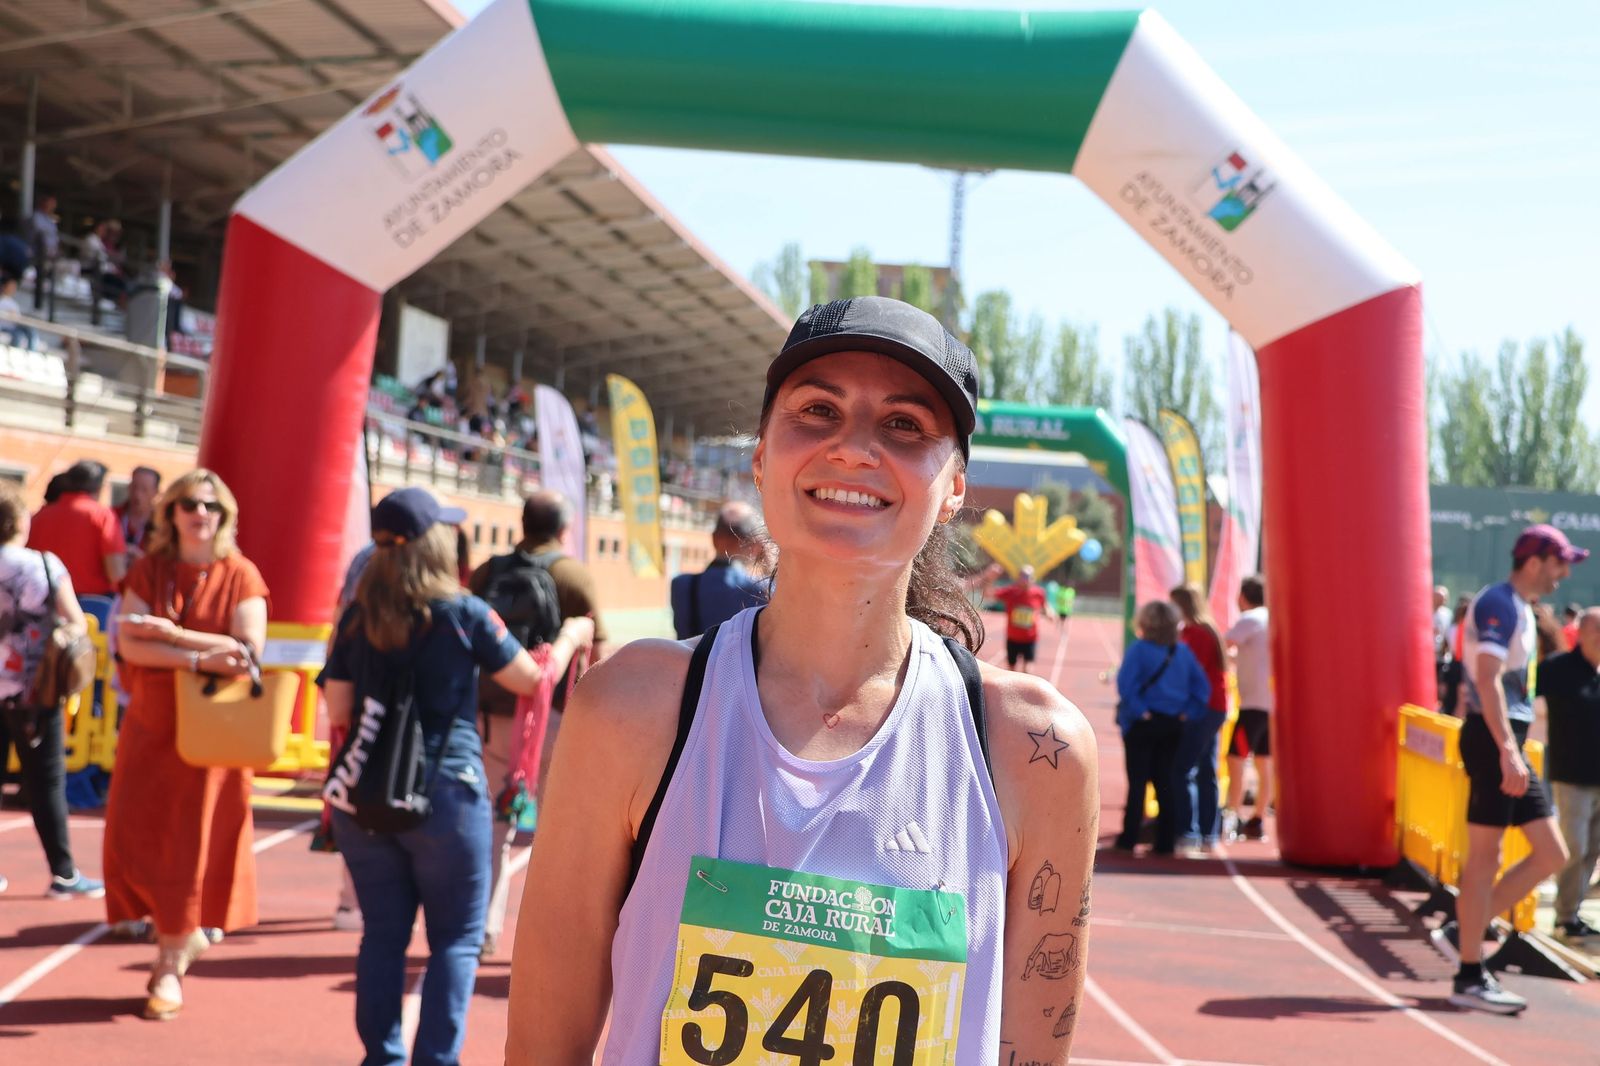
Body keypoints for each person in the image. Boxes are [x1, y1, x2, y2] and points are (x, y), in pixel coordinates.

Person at [507, 296, 1099, 1061]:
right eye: (818, 410)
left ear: (954, 487)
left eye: (905, 424)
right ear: (760, 458)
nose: (853, 448)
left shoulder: (1035, 750)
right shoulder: (631, 708)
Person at [320, 487, 591, 1066]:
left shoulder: (355, 617)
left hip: (365, 799)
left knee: (382, 936)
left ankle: (383, 1057)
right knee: (456, 942)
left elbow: (339, 709)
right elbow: (528, 681)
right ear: (436, 543)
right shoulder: (463, 613)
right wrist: (570, 637)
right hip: (447, 790)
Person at [103, 469, 268, 1020]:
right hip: (152, 729)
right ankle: (176, 939)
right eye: (191, 504)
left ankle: (170, 961)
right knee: (135, 837)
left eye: (213, 506)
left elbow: (247, 651)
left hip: (212, 739)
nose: (202, 513)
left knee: (194, 845)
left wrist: (171, 636)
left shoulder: (241, 574)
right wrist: (198, 656)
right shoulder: (150, 568)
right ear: (170, 512)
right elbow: (129, 642)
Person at [1432, 524, 1583, 1014]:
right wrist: (1507, 750)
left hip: (1505, 738)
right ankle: (1470, 974)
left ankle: (1464, 932)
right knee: (1485, 858)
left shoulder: (1519, 606)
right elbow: (1487, 680)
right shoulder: (1499, 602)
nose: (1565, 574)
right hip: (1493, 737)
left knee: (1551, 852)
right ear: (1536, 561)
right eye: (1561, 563)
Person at [0, 481, 103, 899]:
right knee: (46, 781)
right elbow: (74, 620)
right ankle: (63, 873)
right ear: (21, 521)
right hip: (33, 692)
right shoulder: (44, 565)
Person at [1115, 600, 1211, 856]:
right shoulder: (1182, 652)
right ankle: (1165, 842)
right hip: (1171, 725)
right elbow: (1203, 689)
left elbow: (1125, 685)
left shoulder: (1139, 650)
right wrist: (1186, 713)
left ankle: (1128, 839)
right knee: (1164, 783)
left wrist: (1140, 711)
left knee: (1137, 783)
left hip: (1143, 724)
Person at [1539, 606, 1600, 946]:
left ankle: (1571, 913)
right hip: (1571, 774)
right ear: (1587, 633)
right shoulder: (1558, 669)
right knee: (1573, 845)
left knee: (1592, 848)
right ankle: (1565, 914)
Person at [1171, 583, 1228, 855]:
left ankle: (1188, 832)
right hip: (1215, 706)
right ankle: (1209, 833)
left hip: (1202, 708)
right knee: (1207, 769)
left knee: (1182, 769)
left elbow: (1190, 674)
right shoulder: (1207, 630)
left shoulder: (1194, 634)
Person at [27, 460, 128, 599]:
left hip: (40, 599)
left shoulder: (39, 516)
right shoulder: (102, 515)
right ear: (99, 487)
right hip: (91, 605)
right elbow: (116, 573)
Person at [669, 500, 767, 638]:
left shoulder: (681, 584)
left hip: (690, 659)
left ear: (714, 538)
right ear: (755, 545)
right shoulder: (762, 591)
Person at [1224, 574, 1273, 841]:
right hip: (1270, 705)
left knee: (1236, 759)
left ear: (1243, 596)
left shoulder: (1251, 618)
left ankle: (1232, 814)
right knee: (1264, 763)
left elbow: (1223, 644)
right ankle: (1258, 819)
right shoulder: (1272, 619)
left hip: (1252, 705)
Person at [992, 564, 1055, 673]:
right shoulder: (1010, 592)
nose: (1025, 579)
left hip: (1030, 638)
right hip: (1013, 638)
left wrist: (1050, 613)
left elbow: (1045, 605)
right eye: (1022, 575)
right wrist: (990, 578)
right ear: (1018, 577)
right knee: (1011, 670)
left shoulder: (1039, 593)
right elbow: (990, 594)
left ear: (1033, 578)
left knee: (1028, 670)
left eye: (1027, 576)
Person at [114, 466, 161, 561]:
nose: (137, 494)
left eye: (144, 489)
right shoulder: (111, 516)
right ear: (129, 487)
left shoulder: (162, 525)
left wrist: (142, 560)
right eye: (134, 487)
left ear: (155, 492)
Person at [0, 274, 35, 350]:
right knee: (18, 336)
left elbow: (18, 318)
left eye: (14, 287)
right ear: (4, 286)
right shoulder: (2, 300)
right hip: (5, 327)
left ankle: (32, 351)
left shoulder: (12, 302)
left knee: (31, 331)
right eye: (11, 286)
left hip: (15, 326)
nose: (13, 289)